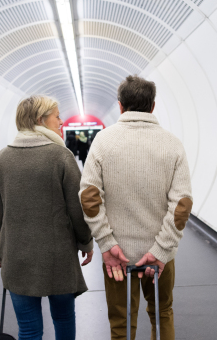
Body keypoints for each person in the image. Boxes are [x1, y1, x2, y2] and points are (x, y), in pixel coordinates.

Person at [79, 75, 193, 340]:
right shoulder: (173, 145)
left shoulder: (103, 142)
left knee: (121, 321)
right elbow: (182, 205)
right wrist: (161, 250)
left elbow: (89, 196)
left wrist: (107, 244)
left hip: (117, 257)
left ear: (120, 106)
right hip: (160, 258)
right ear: (152, 106)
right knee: (162, 313)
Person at [0, 95, 94, 340]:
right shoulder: (60, 156)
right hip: (58, 258)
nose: (61, 120)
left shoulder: (2, 159)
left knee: (29, 329)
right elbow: (77, 209)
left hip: (16, 257)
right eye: (57, 116)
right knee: (64, 319)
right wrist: (85, 242)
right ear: (40, 119)